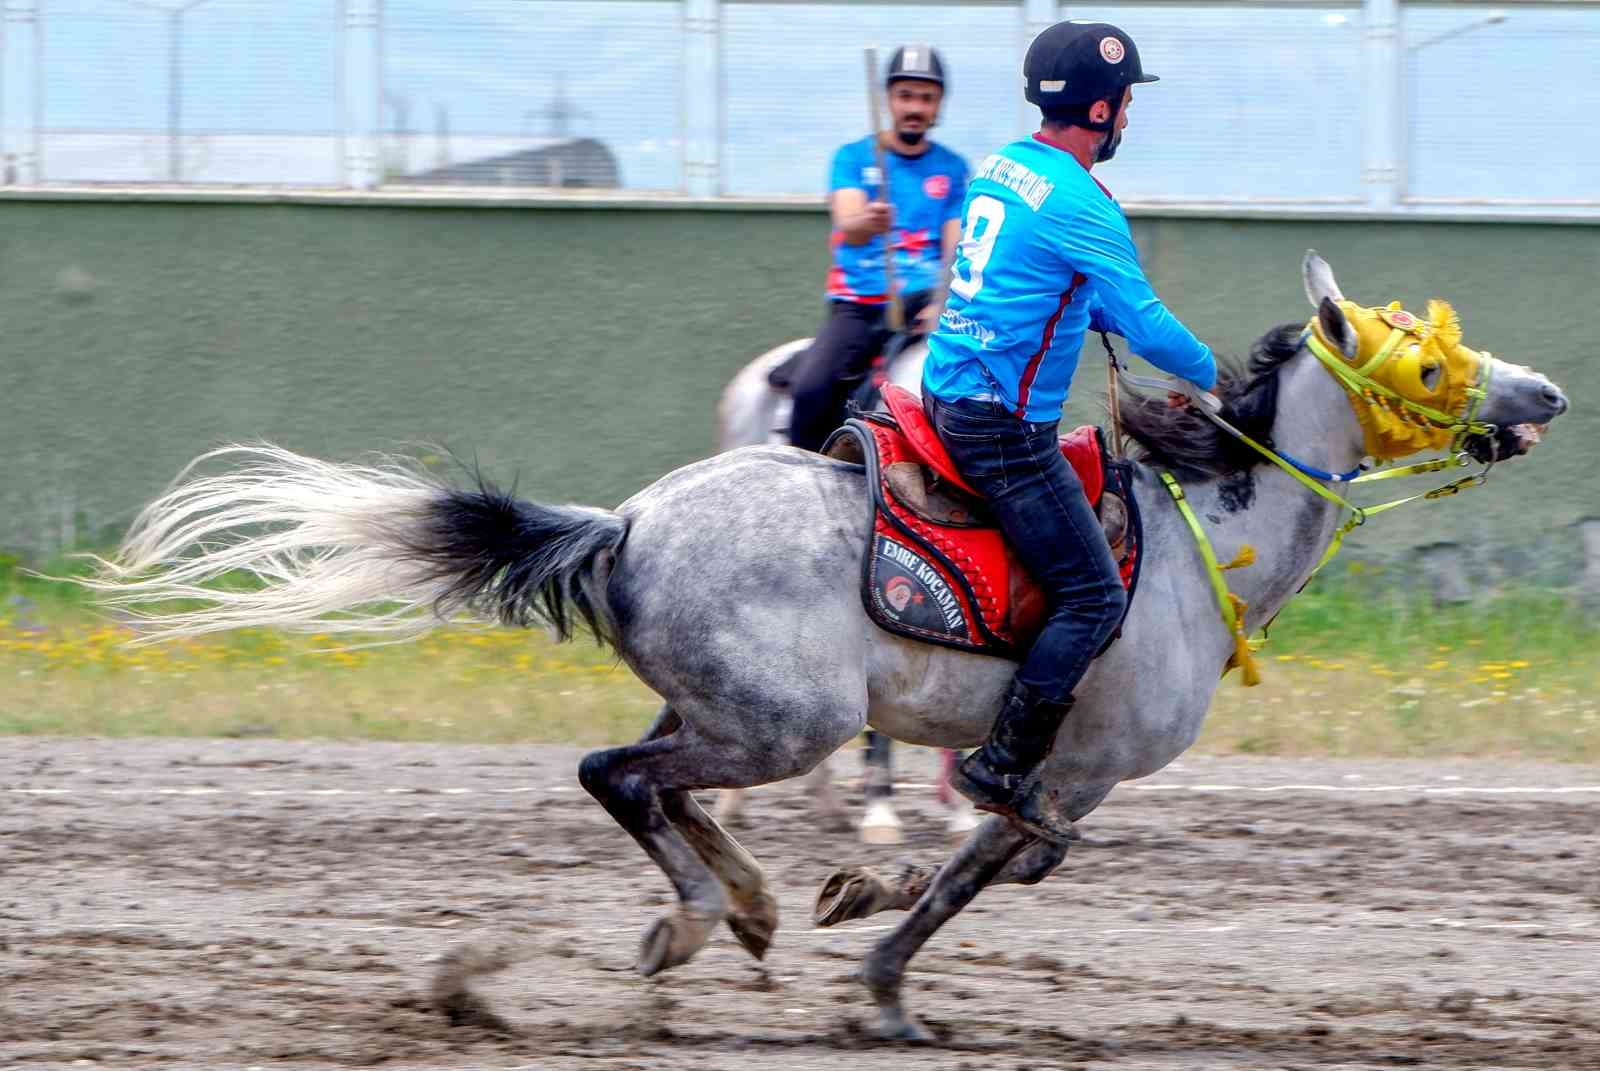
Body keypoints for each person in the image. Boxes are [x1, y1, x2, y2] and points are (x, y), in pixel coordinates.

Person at [921, 20, 1218, 842]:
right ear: (1099, 108)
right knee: (1094, 594)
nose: (1127, 118)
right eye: (1123, 105)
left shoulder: (1003, 166)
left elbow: (1026, 278)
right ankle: (1001, 764)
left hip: (947, 391)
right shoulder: (1084, 204)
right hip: (1003, 429)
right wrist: (1214, 376)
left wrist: (1078, 305)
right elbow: (1149, 327)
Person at [784, 45, 970, 453]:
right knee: (812, 389)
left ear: (939, 104)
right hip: (862, 302)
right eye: (905, 96)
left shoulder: (953, 169)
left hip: (925, 300)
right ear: (889, 99)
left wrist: (943, 303)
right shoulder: (852, 158)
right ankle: (800, 472)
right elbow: (849, 227)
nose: (914, 107)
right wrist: (869, 221)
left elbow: (957, 248)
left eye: (926, 97)